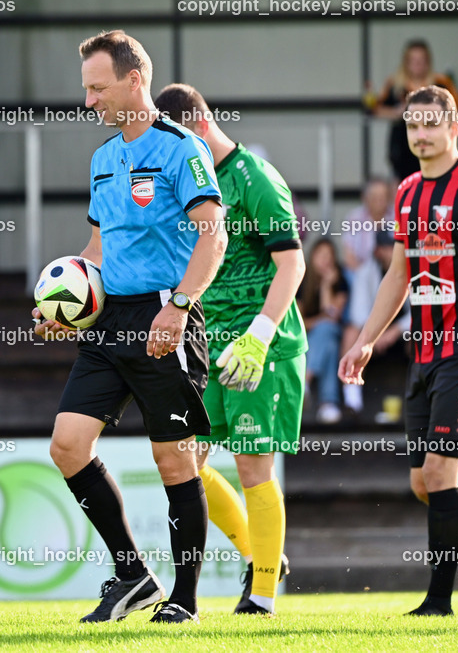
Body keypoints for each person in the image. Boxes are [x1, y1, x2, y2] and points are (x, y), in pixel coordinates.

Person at [34, 31, 227, 624]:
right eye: (87, 88)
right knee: (67, 446)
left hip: (164, 317)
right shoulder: (103, 157)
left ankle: (186, 601)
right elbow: (97, 245)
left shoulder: (180, 148)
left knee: (175, 461)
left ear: (133, 80)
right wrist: (61, 302)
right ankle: (132, 574)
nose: (89, 100)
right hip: (109, 320)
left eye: (98, 87)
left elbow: (211, 232)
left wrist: (180, 305)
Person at [340, 85, 458, 616]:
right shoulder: (407, 192)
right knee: (422, 482)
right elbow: (398, 275)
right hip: (423, 352)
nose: (421, 135)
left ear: (456, 126)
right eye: (413, 126)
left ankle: (438, 604)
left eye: (432, 124)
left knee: (438, 474)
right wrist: (363, 340)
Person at [154, 83, 306, 615]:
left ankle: (262, 597)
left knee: (252, 467)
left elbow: (292, 263)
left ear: (196, 126)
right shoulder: (189, 183)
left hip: (259, 344)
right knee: (184, 461)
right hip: (206, 343)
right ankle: (261, 557)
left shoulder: (254, 178)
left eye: (171, 139)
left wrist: (260, 335)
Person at [369, 39, 458, 181]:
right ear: (406, 62)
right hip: (403, 147)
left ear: (428, 61)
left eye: (421, 60)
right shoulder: (395, 84)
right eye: (413, 60)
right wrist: (397, 113)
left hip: (436, 144)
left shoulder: (441, 83)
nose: (417, 64)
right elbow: (375, 109)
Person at [340, 229, 409, 418]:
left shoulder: (412, 268)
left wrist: (395, 330)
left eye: (394, 246)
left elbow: (419, 313)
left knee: (422, 332)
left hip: (402, 334)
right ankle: (351, 399)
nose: (392, 251)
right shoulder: (365, 272)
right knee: (350, 332)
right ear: (378, 251)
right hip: (374, 335)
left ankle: (422, 395)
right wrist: (373, 336)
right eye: (388, 247)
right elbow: (358, 313)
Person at [297, 238, 348, 423]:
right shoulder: (302, 280)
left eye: (330, 256)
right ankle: (328, 403)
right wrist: (320, 322)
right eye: (322, 255)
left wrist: (327, 286)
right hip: (307, 337)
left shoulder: (339, 281)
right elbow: (298, 322)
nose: (326, 260)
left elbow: (333, 315)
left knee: (328, 330)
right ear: (313, 256)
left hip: (333, 332)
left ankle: (305, 381)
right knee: (330, 344)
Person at [341, 178, 393, 274]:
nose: (379, 201)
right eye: (375, 197)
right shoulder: (354, 218)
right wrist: (364, 277)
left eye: (383, 196)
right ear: (365, 198)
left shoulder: (397, 217)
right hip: (358, 275)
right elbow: (348, 256)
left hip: (392, 273)